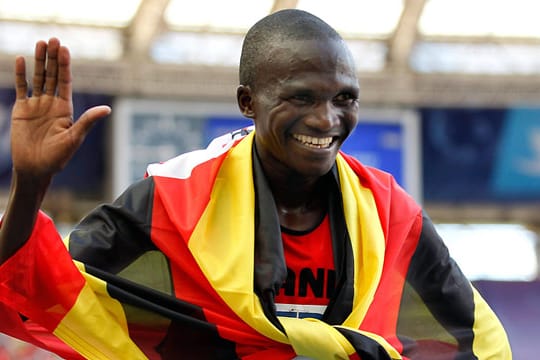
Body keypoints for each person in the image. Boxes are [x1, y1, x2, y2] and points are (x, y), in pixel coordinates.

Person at [0, 9, 511, 360]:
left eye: (345, 98)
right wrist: (30, 185)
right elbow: (41, 285)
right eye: (302, 97)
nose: (326, 119)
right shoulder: (177, 200)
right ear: (248, 101)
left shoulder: (387, 212)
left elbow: (473, 337)